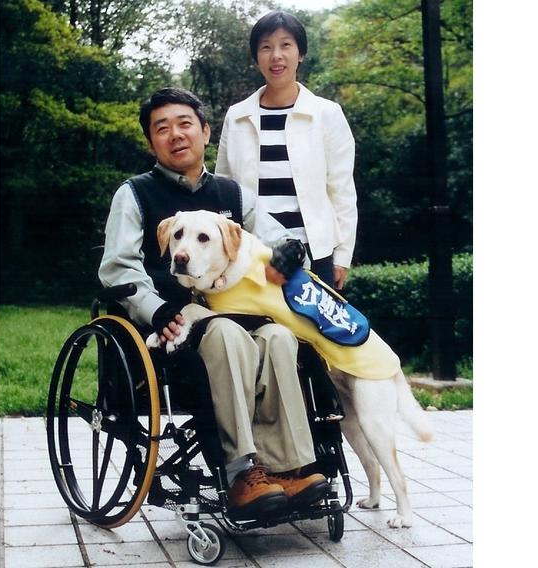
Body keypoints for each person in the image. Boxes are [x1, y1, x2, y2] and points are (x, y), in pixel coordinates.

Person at [98, 87, 328, 519]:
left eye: (185, 124)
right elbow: (118, 269)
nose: (175, 135)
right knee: (225, 333)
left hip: (242, 312)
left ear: (205, 132)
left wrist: (290, 252)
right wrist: (156, 308)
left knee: (279, 336)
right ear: (151, 142)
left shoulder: (235, 196)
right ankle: (243, 472)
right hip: (172, 324)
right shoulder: (135, 195)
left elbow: (282, 240)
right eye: (161, 128)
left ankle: (290, 467)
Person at [216, 10, 358, 290]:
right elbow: (223, 190)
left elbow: (341, 190)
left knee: (315, 333)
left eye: (286, 45)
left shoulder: (326, 114)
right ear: (256, 57)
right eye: (266, 47)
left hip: (315, 254)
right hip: (253, 256)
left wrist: (342, 256)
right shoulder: (237, 117)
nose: (276, 55)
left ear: (300, 54)